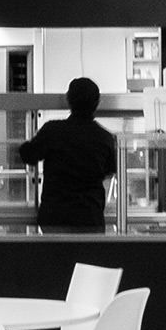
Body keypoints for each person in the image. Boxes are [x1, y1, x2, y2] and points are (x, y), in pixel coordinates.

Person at [15, 77, 118, 234]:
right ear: (97, 103)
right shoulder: (105, 137)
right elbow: (110, 170)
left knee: (56, 251)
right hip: (90, 217)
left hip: (55, 217)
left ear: (68, 100)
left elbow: (27, 155)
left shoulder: (53, 131)